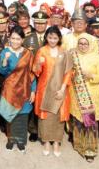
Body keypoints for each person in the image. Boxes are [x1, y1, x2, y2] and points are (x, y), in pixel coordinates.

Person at [33, 26, 71, 157]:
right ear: (46, 38)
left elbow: (68, 72)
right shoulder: (42, 51)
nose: (52, 40)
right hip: (44, 89)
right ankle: (46, 142)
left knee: (58, 117)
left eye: (55, 38)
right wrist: (39, 63)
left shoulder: (64, 52)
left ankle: (56, 142)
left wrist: (63, 88)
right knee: (46, 116)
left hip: (60, 89)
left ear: (59, 38)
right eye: (50, 37)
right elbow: (36, 71)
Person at [0, 28, 36, 153]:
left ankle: (20, 141)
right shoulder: (5, 52)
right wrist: (4, 60)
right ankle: (11, 139)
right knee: (10, 114)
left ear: (22, 40)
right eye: (13, 38)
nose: (15, 41)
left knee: (22, 115)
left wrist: (33, 91)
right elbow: (2, 72)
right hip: (10, 88)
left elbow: (31, 73)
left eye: (18, 39)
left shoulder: (28, 53)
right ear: (10, 39)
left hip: (25, 88)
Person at [68, 35, 99, 162]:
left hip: (91, 94)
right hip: (75, 93)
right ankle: (79, 145)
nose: (83, 46)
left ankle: (90, 150)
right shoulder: (72, 55)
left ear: (91, 45)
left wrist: (91, 75)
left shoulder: (97, 57)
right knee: (78, 120)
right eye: (81, 43)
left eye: (86, 44)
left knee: (90, 122)